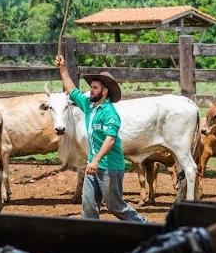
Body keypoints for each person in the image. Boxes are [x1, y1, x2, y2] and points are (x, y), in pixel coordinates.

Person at [55, 55, 147, 223]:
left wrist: (96, 160)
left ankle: (143, 224)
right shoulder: (89, 105)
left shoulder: (110, 113)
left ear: (104, 92)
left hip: (109, 166)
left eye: (95, 88)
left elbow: (110, 140)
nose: (91, 91)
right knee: (88, 206)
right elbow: (72, 89)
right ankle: (91, 235)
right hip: (93, 166)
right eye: (91, 87)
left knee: (115, 206)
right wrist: (63, 68)